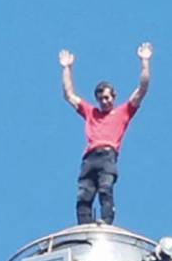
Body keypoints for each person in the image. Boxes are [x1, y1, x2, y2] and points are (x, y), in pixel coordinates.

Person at [59, 43, 152, 225]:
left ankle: (106, 221)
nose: (104, 101)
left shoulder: (123, 112)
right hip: (90, 158)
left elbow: (142, 88)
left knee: (105, 189)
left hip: (108, 155)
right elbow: (69, 95)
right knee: (84, 195)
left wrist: (145, 61)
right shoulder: (91, 112)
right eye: (101, 99)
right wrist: (67, 68)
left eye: (107, 98)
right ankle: (84, 227)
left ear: (114, 97)